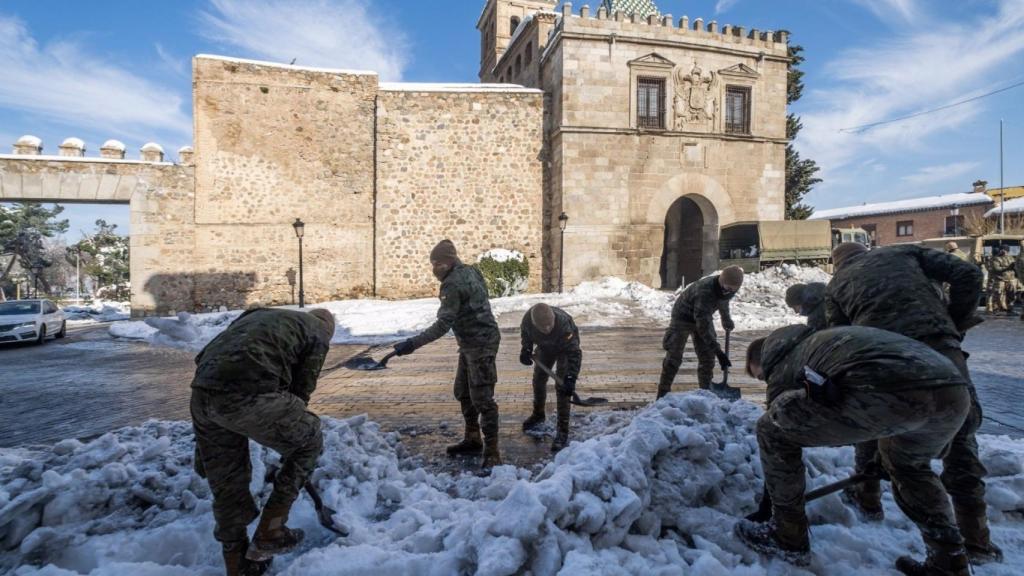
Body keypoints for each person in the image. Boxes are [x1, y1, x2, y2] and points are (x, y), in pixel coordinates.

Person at [734, 325, 971, 575]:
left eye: (759, 376)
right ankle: (949, 561)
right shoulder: (826, 342)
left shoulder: (783, 363)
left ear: (760, 359)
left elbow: (781, 425)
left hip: (889, 387)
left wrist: (768, 507)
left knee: (770, 431)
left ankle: (787, 537)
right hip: (953, 389)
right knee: (910, 468)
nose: (764, 381)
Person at [827, 242, 1002, 566]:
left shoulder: (837, 284)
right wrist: (955, 321)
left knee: (889, 441)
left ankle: (871, 501)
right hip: (942, 351)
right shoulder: (904, 252)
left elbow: (839, 338)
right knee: (961, 440)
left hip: (886, 360)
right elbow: (967, 272)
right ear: (866, 251)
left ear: (836, 264)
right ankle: (976, 542)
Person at [190, 307, 335, 576]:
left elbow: (213, 354)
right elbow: (301, 393)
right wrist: (289, 442)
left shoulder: (258, 314)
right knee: (309, 440)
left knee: (227, 480)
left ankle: (236, 564)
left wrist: (205, 450)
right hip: (248, 393)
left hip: (202, 394)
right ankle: (272, 528)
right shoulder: (319, 333)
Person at [393, 240, 503, 469]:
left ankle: (492, 452)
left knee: (483, 398)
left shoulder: (451, 284)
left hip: (481, 344)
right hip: (472, 342)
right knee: (463, 391)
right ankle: (473, 437)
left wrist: (413, 343)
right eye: (432, 264)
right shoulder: (471, 270)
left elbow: (443, 324)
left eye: (437, 264)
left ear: (449, 261)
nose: (434, 269)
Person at [658, 266, 744, 398]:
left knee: (707, 358)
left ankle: (705, 392)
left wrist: (726, 319)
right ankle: (663, 392)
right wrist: (719, 352)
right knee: (674, 357)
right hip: (683, 317)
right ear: (721, 282)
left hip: (703, 316)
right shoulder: (705, 292)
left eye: (733, 290)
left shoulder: (726, 290)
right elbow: (703, 327)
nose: (729, 292)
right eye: (727, 289)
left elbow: (723, 301)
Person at [519, 303, 582, 452]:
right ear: (535, 324)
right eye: (543, 327)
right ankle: (538, 414)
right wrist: (526, 349)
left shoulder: (564, 325)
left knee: (562, 388)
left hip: (565, 349)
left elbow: (574, 353)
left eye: (549, 325)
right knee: (538, 380)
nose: (547, 329)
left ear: (553, 318)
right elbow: (526, 336)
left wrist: (571, 377)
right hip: (545, 347)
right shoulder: (528, 321)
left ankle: (562, 430)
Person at [987, 247, 1017, 314]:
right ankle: (997, 310)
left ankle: (1010, 310)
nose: (1004, 251)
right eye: (1002, 249)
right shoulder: (996, 258)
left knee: (1011, 295)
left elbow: (1015, 267)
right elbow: (996, 269)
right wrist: (1007, 268)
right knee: (998, 295)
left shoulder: (1011, 258)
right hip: (1000, 279)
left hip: (1010, 279)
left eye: (1005, 250)